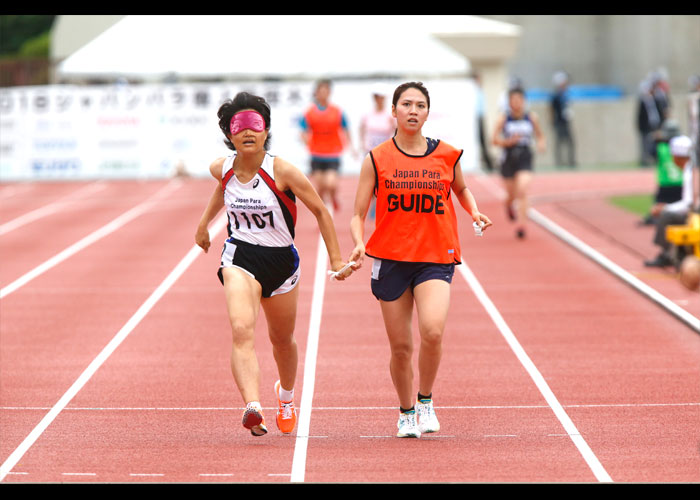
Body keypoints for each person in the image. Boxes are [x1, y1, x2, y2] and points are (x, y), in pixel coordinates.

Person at [195, 92, 353, 437]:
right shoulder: (221, 168)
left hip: (282, 262)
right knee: (241, 329)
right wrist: (204, 224)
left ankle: (286, 397)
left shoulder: (281, 170)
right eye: (240, 126)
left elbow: (321, 211)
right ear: (230, 134)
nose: (248, 132)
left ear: (266, 131)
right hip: (240, 257)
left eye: (256, 125)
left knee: (282, 340)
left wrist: (337, 259)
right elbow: (223, 189)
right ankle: (252, 405)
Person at [348, 82, 493, 438]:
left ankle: (425, 401)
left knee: (432, 330)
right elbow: (357, 213)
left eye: (420, 105)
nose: (413, 110)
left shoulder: (447, 154)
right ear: (394, 111)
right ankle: (406, 411)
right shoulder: (377, 158)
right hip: (391, 258)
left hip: (434, 256)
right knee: (400, 348)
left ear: (428, 112)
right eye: (407, 104)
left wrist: (473, 211)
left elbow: (460, 188)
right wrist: (357, 243)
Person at [491, 87, 546, 239]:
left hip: (524, 156)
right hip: (508, 158)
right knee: (512, 194)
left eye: (519, 100)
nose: (516, 103)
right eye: (513, 100)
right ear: (509, 103)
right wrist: (508, 142)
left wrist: (541, 143)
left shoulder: (531, 117)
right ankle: (508, 204)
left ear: (523, 101)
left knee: (522, 190)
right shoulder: (503, 119)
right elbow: (494, 140)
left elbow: (540, 135)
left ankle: (522, 226)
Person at [300, 79, 355, 211]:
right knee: (320, 187)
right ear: (316, 93)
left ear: (329, 92)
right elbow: (303, 130)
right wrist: (306, 141)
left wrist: (351, 146)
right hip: (317, 154)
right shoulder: (310, 112)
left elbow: (346, 129)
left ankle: (333, 196)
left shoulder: (337, 111)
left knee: (330, 183)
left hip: (332, 153)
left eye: (326, 91)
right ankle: (322, 210)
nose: (323, 94)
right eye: (320, 91)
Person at [644, 135, 694, 268]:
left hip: (695, 216)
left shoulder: (690, 173)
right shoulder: (689, 171)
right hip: (694, 214)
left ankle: (667, 255)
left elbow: (688, 204)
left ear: (677, 157)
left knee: (667, 216)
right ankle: (677, 254)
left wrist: (665, 208)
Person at [359, 83, 396, 218]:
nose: (379, 100)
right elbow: (362, 129)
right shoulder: (367, 115)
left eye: (381, 97)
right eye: (377, 97)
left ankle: (382, 204)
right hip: (370, 152)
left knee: (385, 180)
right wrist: (362, 144)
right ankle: (373, 205)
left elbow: (396, 131)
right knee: (371, 180)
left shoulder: (389, 116)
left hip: (385, 153)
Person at [550, 71, 577, 168]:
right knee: (559, 142)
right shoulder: (556, 96)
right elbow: (552, 109)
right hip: (559, 121)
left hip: (566, 121)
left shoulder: (566, 94)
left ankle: (571, 161)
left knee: (570, 141)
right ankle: (559, 162)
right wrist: (553, 121)